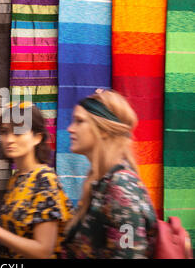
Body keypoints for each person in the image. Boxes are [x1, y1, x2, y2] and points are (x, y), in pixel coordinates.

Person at [0, 102, 73, 259]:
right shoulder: (17, 179)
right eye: (4, 132)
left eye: (18, 132)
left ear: (37, 137)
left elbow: (43, 251)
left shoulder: (44, 179)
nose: (9, 139)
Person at [60, 89, 158, 258]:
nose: (70, 129)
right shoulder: (102, 183)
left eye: (79, 121)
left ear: (104, 130)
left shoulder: (121, 187)